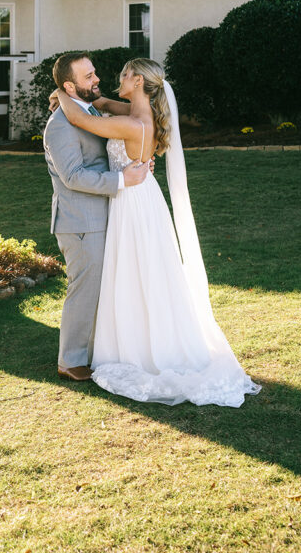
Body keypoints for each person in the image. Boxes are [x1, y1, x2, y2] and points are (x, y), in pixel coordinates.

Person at [53, 57, 260, 407]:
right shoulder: (137, 111)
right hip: (141, 196)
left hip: (132, 201)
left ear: (137, 81)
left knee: (136, 272)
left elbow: (82, 119)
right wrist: (81, 94)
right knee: (143, 273)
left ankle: (138, 346)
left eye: (124, 74)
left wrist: (61, 93)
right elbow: (102, 104)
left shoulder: (133, 123)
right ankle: (136, 339)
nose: (116, 78)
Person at [44, 52, 150, 382]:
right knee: (85, 290)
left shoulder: (89, 111)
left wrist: (136, 160)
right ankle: (70, 361)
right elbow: (73, 176)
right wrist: (122, 179)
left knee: (104, 288)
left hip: (104, 214)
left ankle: (94, 351)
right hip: (80, 222)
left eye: (94, 73)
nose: (97, 79)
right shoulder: (60, 126)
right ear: (69, 86)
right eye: (88, 76)